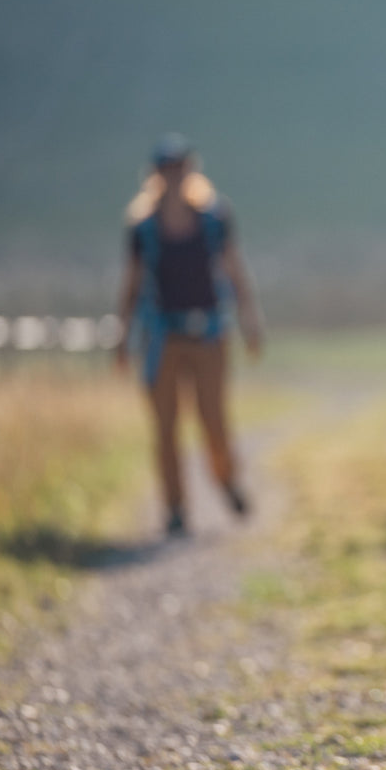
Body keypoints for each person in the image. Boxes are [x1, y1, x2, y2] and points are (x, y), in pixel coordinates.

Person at [115, 134, 263, 537]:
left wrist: (250, 321)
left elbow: (234, 271)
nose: (174, 175)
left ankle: (227, 479)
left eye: (180, 167)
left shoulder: (214, 219)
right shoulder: (142, 227)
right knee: (166, 427)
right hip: (162, 337)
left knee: (213, 418)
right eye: (167, 168)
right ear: (156, 175)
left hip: (210, 333)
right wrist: (122, 337)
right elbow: (131, 285)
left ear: (191, 170)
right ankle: (175, 508)